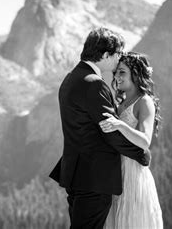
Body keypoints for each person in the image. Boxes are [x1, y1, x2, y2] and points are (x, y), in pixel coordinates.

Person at [49, 27, 151, 229]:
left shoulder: (71, 78)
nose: (119, 59)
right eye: (118, 54)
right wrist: (141, 153)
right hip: (93, 178)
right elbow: (110, 131)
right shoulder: (93, 83)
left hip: (76, 173)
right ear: (105, 55)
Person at [100, 52, 163, 228]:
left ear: (135, 74)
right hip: (116, 173)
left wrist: (120, 126)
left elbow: (144, 141)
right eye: (116, 73)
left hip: (133, 173)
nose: (117, 77)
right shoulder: (121, 104)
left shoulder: (145, 101)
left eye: (122, 72)